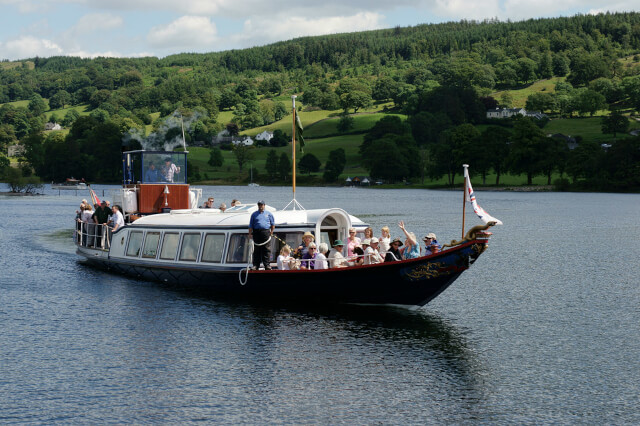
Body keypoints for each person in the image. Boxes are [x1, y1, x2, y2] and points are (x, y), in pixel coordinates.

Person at [248, 200, 275, 270]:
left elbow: (273, 224)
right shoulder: (254, 214)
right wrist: (250, 234)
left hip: (265, 232)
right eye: (259, 205)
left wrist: (271, 232)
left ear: (264, 205)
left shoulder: (269, 214)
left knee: (266, 249)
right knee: (257, 250)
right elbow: (251, 225)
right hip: (256, 232)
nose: (260, 206)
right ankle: (255, 265)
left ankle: (267, 265)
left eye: (261, 205)